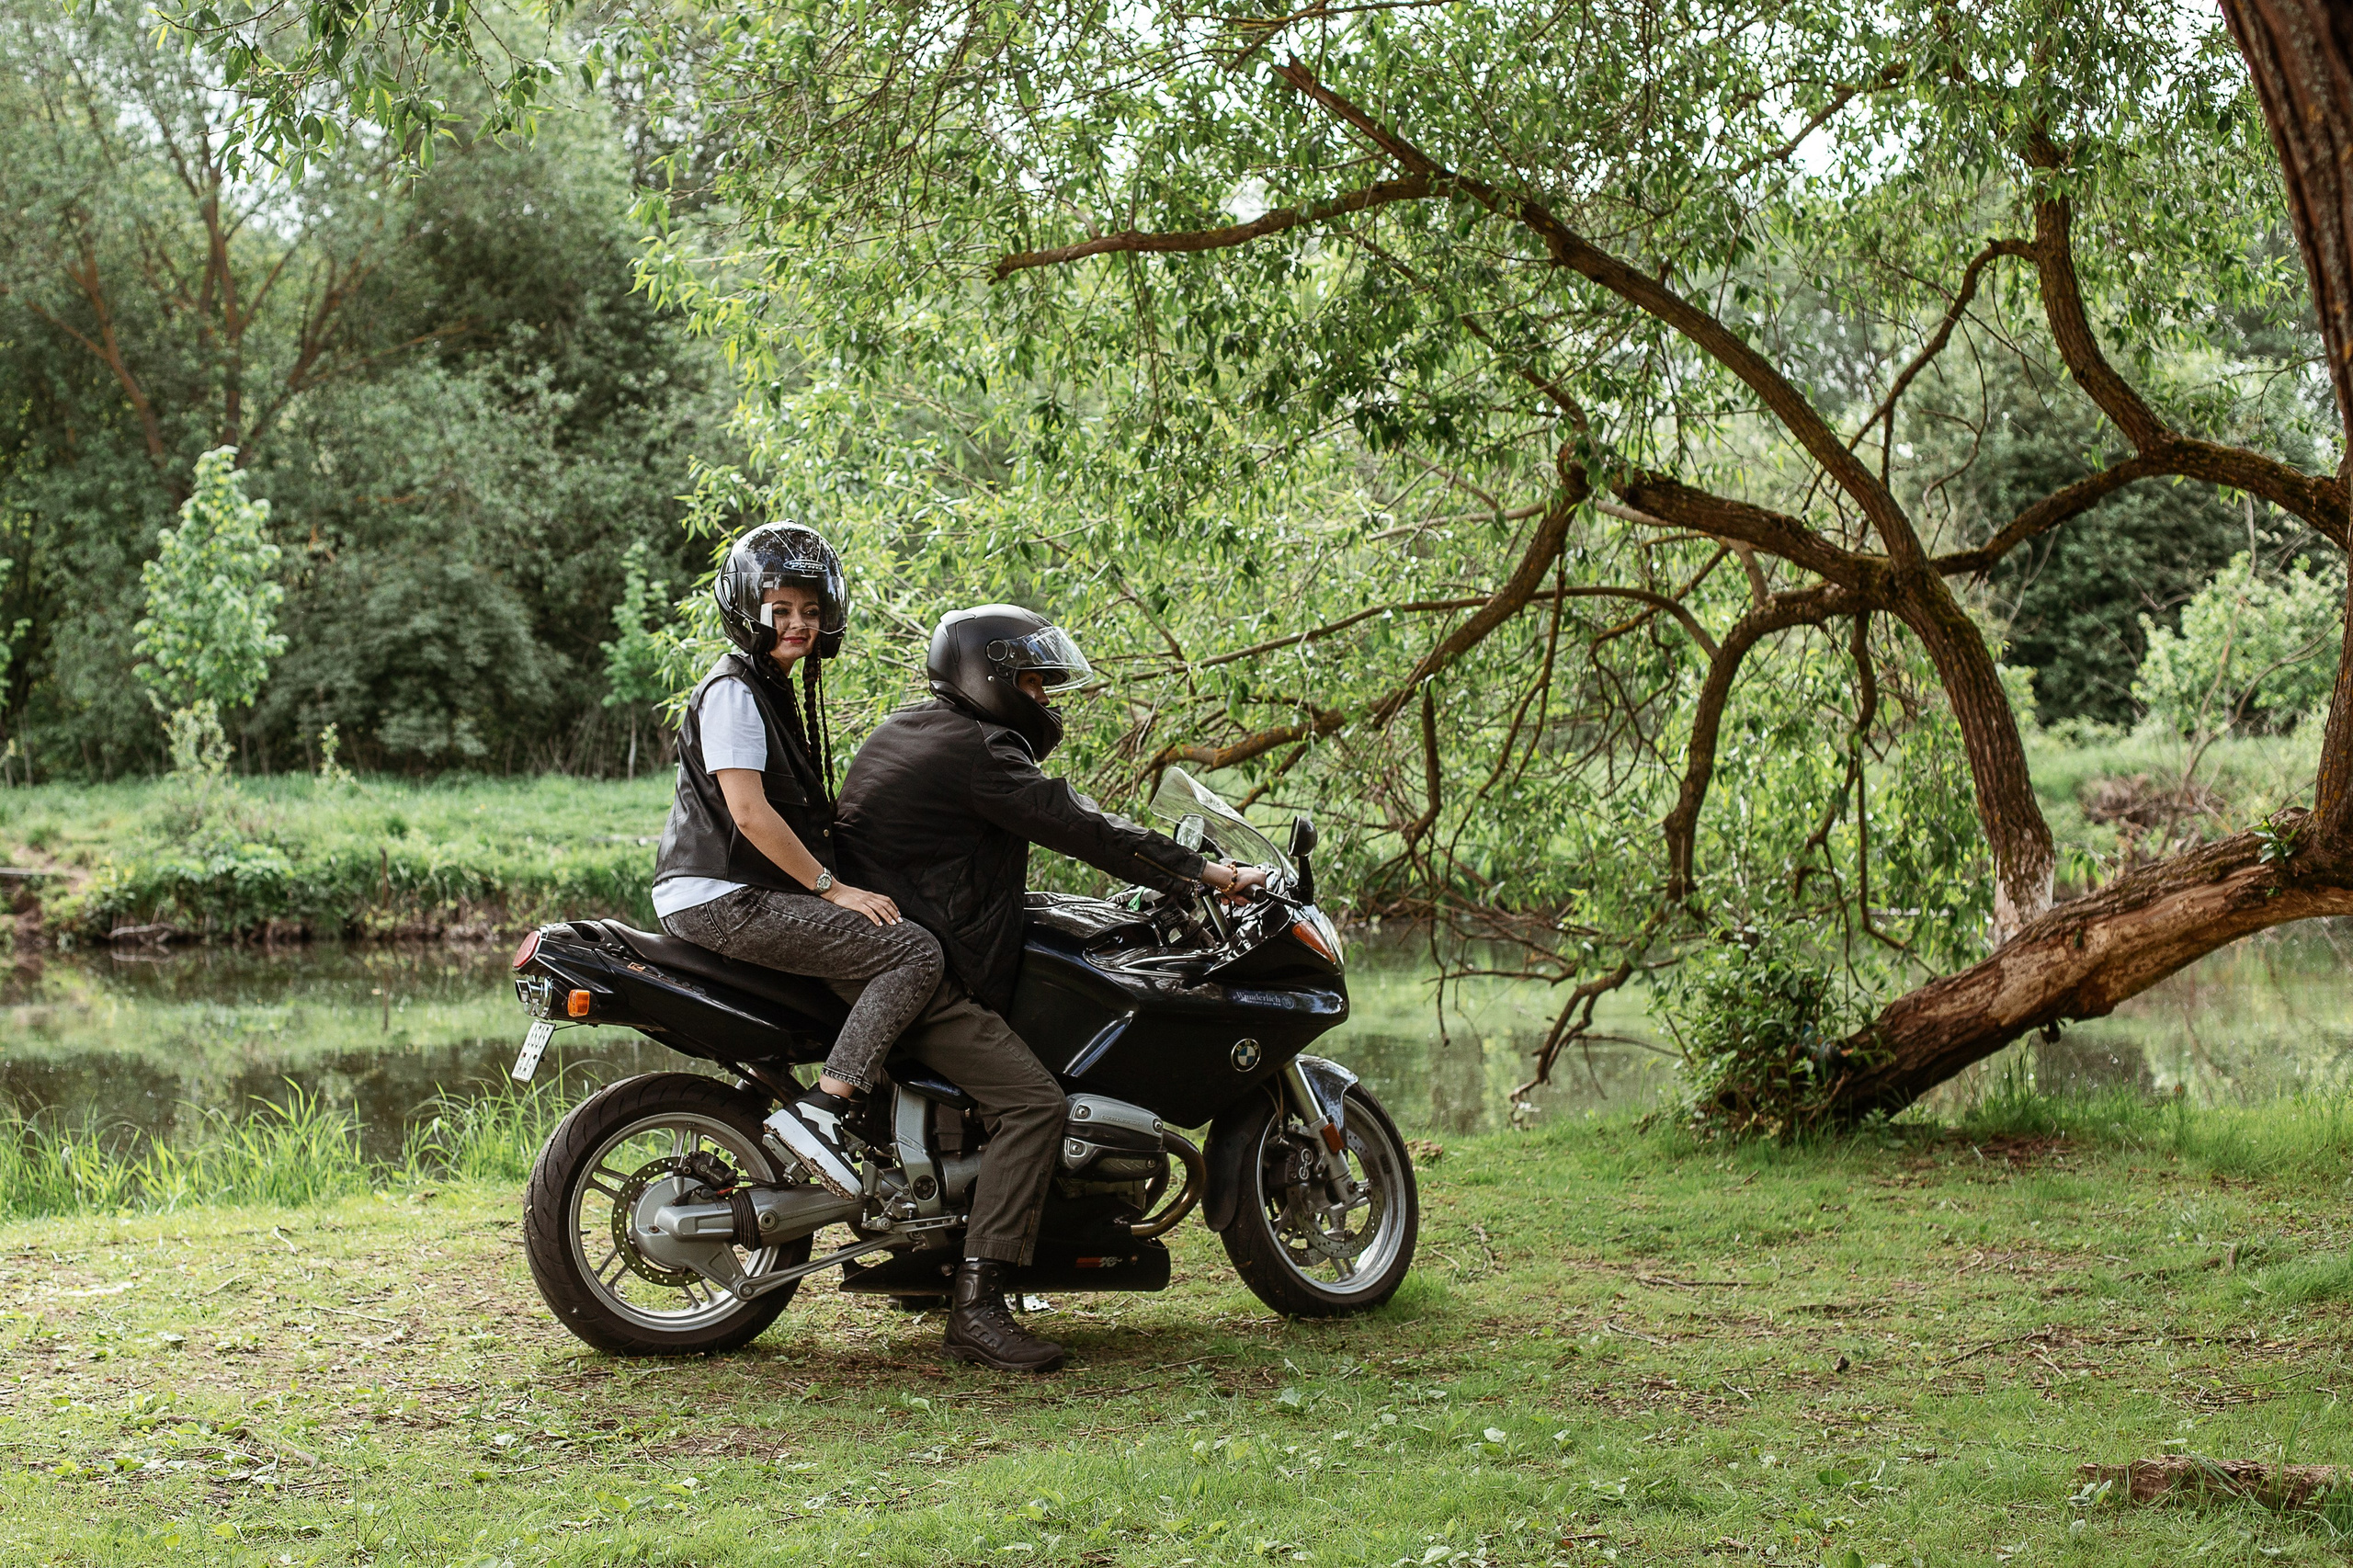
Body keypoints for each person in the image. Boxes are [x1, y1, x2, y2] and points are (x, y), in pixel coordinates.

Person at [834, 604, 1267, 1374]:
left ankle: (947, 1257)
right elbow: (1078, 824)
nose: (1045, 697)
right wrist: (1207, 872)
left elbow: (949, 865)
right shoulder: (981, 752)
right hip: (918, 970)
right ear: (990, 677)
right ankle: (977, 1304)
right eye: (1034, 681)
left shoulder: (913, 729)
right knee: (1034, 1106)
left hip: (887, 950)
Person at [650, 522, 942, 1201]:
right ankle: (824, 1111)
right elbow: (749, 814)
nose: (799, 624)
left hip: (725, 891)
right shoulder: (734, 691)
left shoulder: (769, 689)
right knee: (913, 953)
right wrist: (830, 888)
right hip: (721, 894)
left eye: (811, 612)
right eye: (781, 609)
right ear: (748, 608)